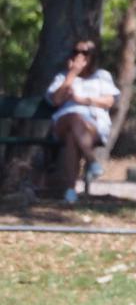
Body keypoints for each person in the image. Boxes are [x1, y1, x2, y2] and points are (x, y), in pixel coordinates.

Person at [45, 38, 120, 203]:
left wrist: (82, 100)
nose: (80, 56)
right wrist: (72, 74)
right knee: (73, 117)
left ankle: (70, 192)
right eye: (76, 52)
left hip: (92, 124)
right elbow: (56, 100)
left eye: (84, 52)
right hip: (62, 123)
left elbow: (109, 101)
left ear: (92, 56)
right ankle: (92, 161)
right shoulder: (62, 77)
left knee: (73, 136)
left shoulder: (102, 76)